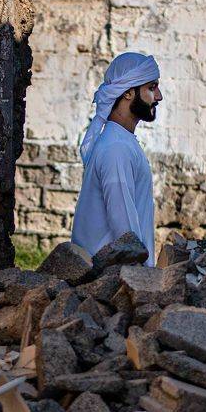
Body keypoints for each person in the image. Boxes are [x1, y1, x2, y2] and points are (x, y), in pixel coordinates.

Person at [70, 52, 162, 260]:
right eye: (151, 88)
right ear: (128, 93)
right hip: (114, 275)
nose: (159, 96)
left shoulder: (121, 141)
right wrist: (140, 274)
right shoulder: (116, 147)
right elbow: (126, 235)